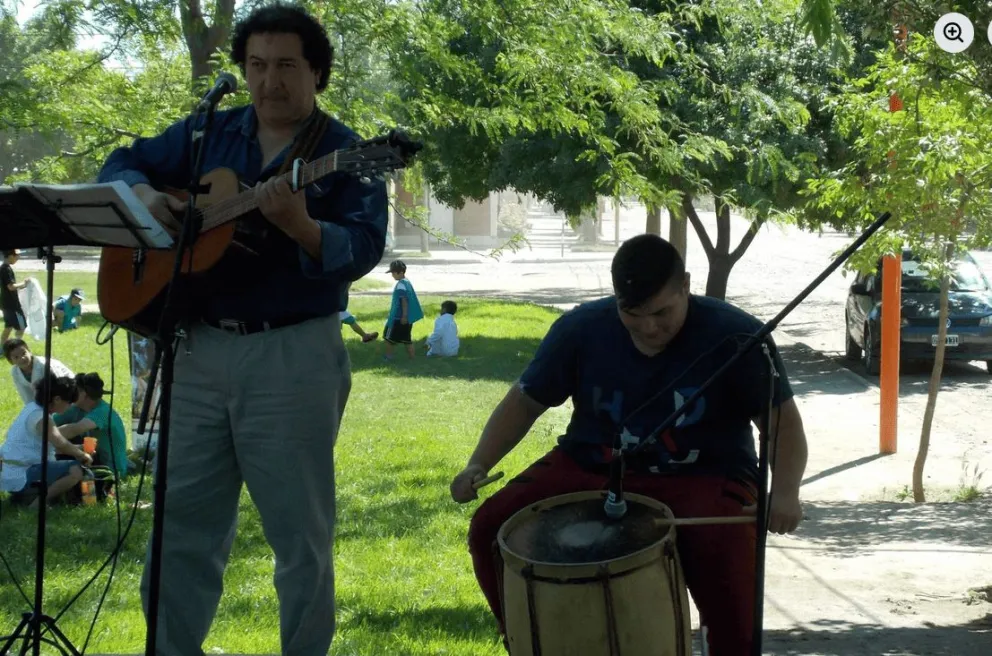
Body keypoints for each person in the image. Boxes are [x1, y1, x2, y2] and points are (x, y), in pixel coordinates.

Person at [96, 4, 387, 654]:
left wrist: (303, 228)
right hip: (198, 351)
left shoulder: (346, 153)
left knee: (300, 538)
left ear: (317, 71)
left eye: (286, 65)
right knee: (179, 530)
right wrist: (144, 196)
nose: (269, 81)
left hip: (293, 355)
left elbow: (365, 244)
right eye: (257, 66)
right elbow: (121, 162)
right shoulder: (209, 135)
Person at [449, 234, 808, 655]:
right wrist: (478, 462)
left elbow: (781, 422)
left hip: (707, 471)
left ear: (685, 286)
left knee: (726, 564)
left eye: (662, 312)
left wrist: (785, 491)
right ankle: (527, 638)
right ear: (616, 298)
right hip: (592, 462)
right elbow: (526, 400)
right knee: (491, 527)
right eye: (632, 313)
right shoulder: (580, 329)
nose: (649, 327)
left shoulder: (738, 335)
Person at [0, 374, 93, 507]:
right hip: (23, 473)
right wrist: (82, 454)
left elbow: (50, 445)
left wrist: (79, 449)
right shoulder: (41, 417)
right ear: (57, 399)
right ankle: (37, 504)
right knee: (75, 470)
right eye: (69, 403)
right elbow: (59, 442)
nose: (70, 406)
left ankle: (28, 498)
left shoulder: (31, 408)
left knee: (66, 464)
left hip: (15, 471)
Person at [53, 373, 130, 498]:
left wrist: (45, 435)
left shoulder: (103, 411)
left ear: (83, 394)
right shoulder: (76, 409)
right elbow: (51, 421)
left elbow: (75, 429)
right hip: (91, 460)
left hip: (108, 469)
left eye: (74, 390)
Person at [4, 338, 75, 405]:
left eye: (24, 353)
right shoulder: (15, 372)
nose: (22, 358)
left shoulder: (43, 365)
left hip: (70, 392)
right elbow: (25, 395)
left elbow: (61, 385)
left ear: (29, 351)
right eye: (16, 357)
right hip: (48, 397)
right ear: (10, 361)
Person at [383, 260, 423, 360]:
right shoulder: (407, 282)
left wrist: (404, 316)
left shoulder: (401, 285)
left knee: (388, 338)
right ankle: (412, 358)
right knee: (406, 339)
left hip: (398, 318)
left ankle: (388, 357)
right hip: (406, 318)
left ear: (401, 272)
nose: (392, 275)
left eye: (393, 272)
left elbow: (404, 301)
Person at [1, 249, 32, 343]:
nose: (18, 258)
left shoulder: (3, 267)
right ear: (10, 256)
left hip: (5, 303)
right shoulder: (6, 269)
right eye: (16, 256)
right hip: (12, 304)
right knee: (21, 326)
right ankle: (16, 346)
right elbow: (11, 287)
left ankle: (2, 348)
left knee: (9, 326)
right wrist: (24, 283)